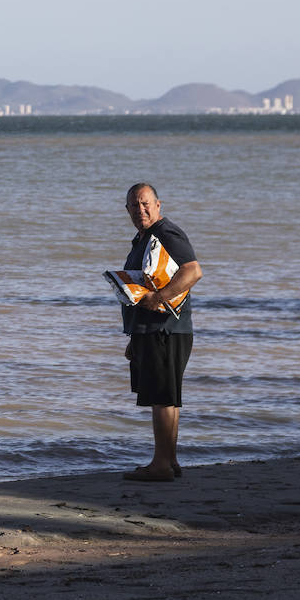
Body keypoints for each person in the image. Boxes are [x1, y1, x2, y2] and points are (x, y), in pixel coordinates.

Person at [119, 183, 202, 482]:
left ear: (158, 204)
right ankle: (170, 460)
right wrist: (134, 336)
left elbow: (193, 271)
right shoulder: (142, 239)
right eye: (134, 205)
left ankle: (161, 464)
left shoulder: (166, 232)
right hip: (152, 331)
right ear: (126, 210)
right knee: (168, 397)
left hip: (166, 329)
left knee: (162, 398)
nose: (140, 210)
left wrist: (159, 298)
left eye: (145, 203)